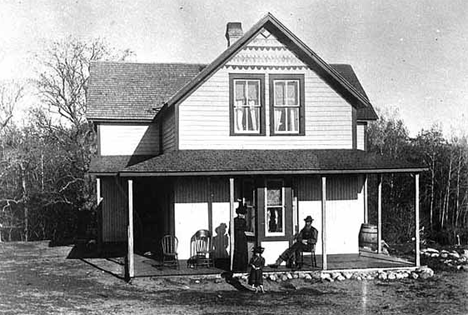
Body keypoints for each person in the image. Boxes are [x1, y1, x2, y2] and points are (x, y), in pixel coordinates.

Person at [232, 203, 248, 272]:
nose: (241, 215)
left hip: (241, 237)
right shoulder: (236, 220)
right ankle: (239, 267)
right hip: (238, 237)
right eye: (240, 213)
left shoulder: (242, 220)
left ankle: (241, 267)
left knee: (242, 252)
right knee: (239, 252)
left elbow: (245, 228)